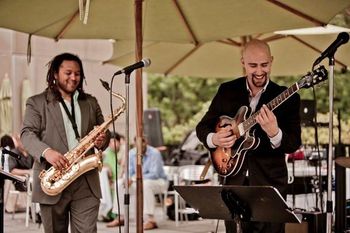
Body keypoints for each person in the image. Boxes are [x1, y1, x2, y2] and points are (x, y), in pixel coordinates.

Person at [196, 39, 301, 233]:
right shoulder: (227, 91)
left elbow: (294, 143)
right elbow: (202, 127)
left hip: (269, 185)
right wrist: (214, 139)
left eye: (264, 65)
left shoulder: (288, 97)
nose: (259, 71)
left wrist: (274, 133)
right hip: (233, 182)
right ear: (243, 62)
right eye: (253, 65)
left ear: (272, 61)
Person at [21, 53, 109, 233]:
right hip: (53, 178)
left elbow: (104, 133)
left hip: (86, 181)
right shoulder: (36, 102)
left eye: (77, 73)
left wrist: (102, 140)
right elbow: (27, 134)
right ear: (54, 74)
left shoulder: (91, 102)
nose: (74, 77)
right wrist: (47, 152)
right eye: (68, 73)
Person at [106, 137, 168, 230]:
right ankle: (121, 217)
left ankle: (151, 220)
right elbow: (130, 171)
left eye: (141, 145)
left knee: (146, 184)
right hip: (138, 181)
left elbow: (155, 174)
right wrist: (128, 179)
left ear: (145, 143)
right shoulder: (132, 153)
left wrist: (134, 178)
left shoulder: (155, 153)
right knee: (119, 184)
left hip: (158, 181)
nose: (139, 147)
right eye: (136, 145)